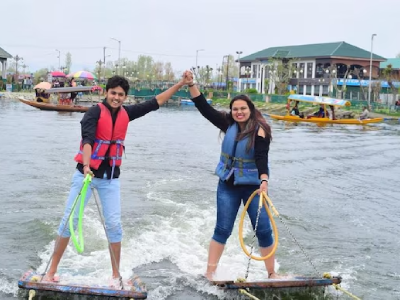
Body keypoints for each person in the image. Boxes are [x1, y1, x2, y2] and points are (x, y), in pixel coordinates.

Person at [43, 75, 192, 284]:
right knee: (70, 222)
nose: (116, 97)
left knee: (114, 225)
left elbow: (155, 102)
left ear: (125, 97)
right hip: (85, 175)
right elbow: (87, 140)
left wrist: (180, 84)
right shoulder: (94, 113)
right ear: (106, 92)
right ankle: (51, 272)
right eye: (113, 93)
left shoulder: (127, 113)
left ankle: (115, 276)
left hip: (110, 179)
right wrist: (86, 165)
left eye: (121, 95)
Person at [184, 71, 281, 280]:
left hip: (254, 186)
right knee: (222, 229)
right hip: (228, 184)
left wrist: (264, 179)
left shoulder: (260, 130)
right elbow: (204, 108)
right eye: (235, 109)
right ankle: (210, 273)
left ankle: (272, 274)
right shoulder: (228, 124)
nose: (239, 112)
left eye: (243, 109)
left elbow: (261, 157)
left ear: (250, 110)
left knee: (263, 230)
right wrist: (192, 84)